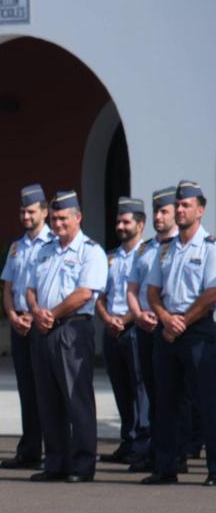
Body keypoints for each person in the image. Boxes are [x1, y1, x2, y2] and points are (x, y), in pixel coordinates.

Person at [26, 191, 107, 483]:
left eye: (63, 218)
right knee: (48, 399)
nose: (58, 223)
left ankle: (83, 464)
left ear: (78, 217)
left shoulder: (91, 251)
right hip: (44, 329)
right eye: (55, 217)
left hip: (72, 329)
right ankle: (56, 463)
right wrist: (36, 310)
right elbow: (30, 287)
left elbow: (86, 292)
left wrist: (53, 313)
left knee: (77, 399)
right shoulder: (45, 250)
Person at [142, 181, 216, 486]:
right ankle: (166, 467)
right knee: (166, 401)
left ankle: (214, 468)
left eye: (186, 205)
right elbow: (153, 291)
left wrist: (181, 321)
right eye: (179, 205)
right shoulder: (164, 250)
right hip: (168, 331)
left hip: (198, 331)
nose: (181, 210)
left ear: (200, 210)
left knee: (207, 402)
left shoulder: (210, 246)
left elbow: (212, 292)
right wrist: (165, 319)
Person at [125, 187, 181, 474]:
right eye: (156, 211)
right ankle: (157, 452)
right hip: (145, 327)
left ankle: (178, 453)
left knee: (176, 396)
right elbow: (132, 288)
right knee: (152, 394)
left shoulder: (183, 245)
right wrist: (136, 314)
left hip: (172, 327)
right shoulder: (146, 249)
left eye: (164, 211)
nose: (159, 217)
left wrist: (163, 317)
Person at [0, 184, 53, 469]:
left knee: (47, 389)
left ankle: (52, 450)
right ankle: (29, 449)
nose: (26, 216)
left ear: (44, 211)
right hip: (19, 322)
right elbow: (8, 286)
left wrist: (33, 315)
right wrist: (11, 314)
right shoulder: (17, 247)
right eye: (22, 211)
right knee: (26, 389)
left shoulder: (53, 243)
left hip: (43, 322)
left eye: (31, 211)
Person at [96, 197, 151, 466]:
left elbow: (146, 296)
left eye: (126, 221)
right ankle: (127, 440)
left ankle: (143, 444)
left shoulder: (148, 254)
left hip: (134, 328)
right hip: (112, 329)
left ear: (140, 225)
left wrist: (125, 320)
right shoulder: (110, 258)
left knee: (140, 389)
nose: (120, 225)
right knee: (120, 389)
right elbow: (100, 295)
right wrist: (108, 318)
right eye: (119, 221)